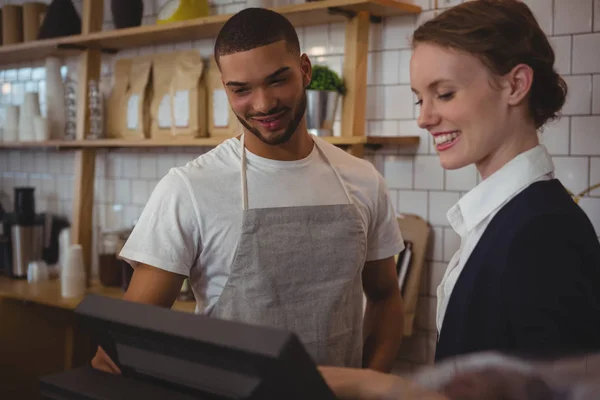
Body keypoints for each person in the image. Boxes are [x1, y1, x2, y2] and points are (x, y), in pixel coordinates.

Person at [91, 7, 406, 374]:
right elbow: (119, 348)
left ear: (305, 71)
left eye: (277, 81)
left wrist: (369, 386)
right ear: (225, 88)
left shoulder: (363, 179)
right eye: (241, 90)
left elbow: (385, 298)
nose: (263, 104)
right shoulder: (190, 188)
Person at [319, 0, 600, 397]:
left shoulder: (544, 232)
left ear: (516, 85)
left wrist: (375, 385)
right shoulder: (503, 218)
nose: (424, 117)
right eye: (420, 98)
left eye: (445, 94)